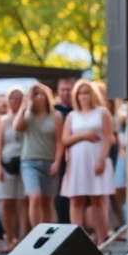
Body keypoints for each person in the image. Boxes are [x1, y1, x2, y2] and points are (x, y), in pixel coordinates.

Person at [61, 80, 116, 244]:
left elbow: (108, 137)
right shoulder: (72, 115)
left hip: (96, 158)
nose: (83, 96)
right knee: (76, 199)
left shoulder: (102, 112)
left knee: (98, 199)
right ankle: (77, 241)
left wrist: (102, 159)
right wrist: (83, 135)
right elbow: (65, 139)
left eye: (86, 92)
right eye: (80, 93)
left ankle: (102, 239)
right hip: (78, 162)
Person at [14, 83, 64, 230]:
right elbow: (17, 126)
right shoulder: (28, 115)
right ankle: (36, 231)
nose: (36, 98)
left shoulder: (55, 116)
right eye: (33, 95)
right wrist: (24, 107)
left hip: (49, 162)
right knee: (34, 197)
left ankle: (47, 232)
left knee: (47, 202)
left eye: (39, 94)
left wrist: (57, 162)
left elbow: (59, 142)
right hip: (29, 162)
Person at [0, 87, 29, 251]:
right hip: (7, 161)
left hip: (23, 161)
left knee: (23, 201)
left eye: (19, 98)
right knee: (5, 200)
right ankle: (9, 237)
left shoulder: (28, 119)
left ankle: (22, 238)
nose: (15, 102)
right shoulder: (2, 121)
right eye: (12, 99)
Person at [52, 78, 75, 223]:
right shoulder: (53, 110)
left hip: (75, 156)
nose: (66, 93)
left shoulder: (77, 110)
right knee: (58, 192)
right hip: (55, 157)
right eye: (63, 90)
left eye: (68, 89)